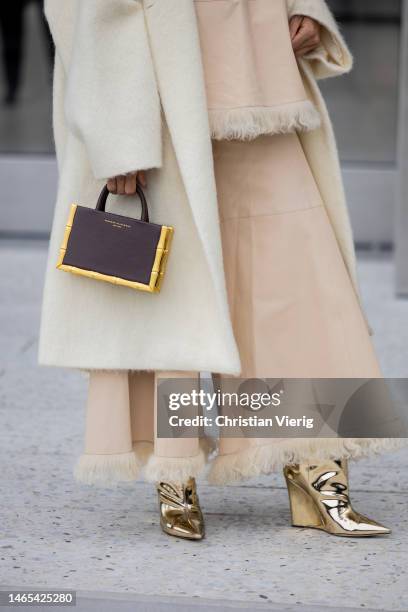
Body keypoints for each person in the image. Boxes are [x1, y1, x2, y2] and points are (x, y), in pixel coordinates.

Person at [39, 0, 399, 540]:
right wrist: (119, 133)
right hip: (163, 92)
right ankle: (174, 470)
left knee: (298, 284)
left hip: (261, 80)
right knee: (176, 306)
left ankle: (316, 470)